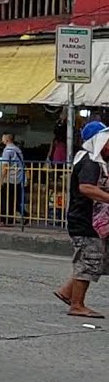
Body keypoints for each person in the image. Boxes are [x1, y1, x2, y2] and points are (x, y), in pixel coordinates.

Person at [55, 120, 109, 318]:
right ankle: (77, 305)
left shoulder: (94, 160)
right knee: (89, 260)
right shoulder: (90, 161)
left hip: (91, 221)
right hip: (85, 222)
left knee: (93, 260)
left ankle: (67, 292)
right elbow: (86, 188)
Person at [0, 133, 26, 225]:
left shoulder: (7, 151)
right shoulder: (17, 149)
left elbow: (5, 166)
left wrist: (1, 180)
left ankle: (3, 220)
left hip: (10, 178)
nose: (2, 140)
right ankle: (11, 219)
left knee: (5, 200)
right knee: (13, 200)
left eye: (3, 138)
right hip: (18, 178)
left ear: (7, 140)